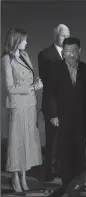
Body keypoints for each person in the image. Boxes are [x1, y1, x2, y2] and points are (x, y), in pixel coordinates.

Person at [45, 37, 86, 197]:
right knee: (65, 154)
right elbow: (49, 94)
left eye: (74, 51)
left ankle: (76, 185)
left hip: (82, 120)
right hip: (62, 119)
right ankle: (67, 185)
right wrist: (53, 115)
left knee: (80, 154)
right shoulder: (54, 68)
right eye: (67, 51)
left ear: (80, 51)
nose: (71, 55)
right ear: (63, 52)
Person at [2, 28, 43, 192]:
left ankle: (23, 176)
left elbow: (31, 78)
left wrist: (37, 82)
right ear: (16, 40)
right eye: (24, 40)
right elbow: (10, 88)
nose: (26, 42)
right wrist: (32, 86)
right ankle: (15, 177)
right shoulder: (6, 59)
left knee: (27, 142)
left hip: (30, 105)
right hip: (17, 106)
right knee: (17, 142)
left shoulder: (25, 56)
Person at [38, 24, 70, 182]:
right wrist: (53, 113)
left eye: (67, 35)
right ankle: (49, 173)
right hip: (54, 107)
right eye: (63, 35)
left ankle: (61, 169)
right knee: (53, 141)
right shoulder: (45, 55)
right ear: (55, 36)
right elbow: (48, 86)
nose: (66, 38)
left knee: (65, 141)